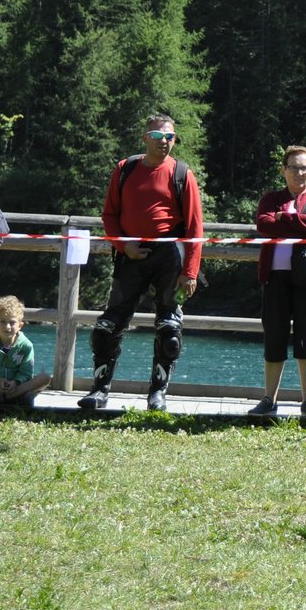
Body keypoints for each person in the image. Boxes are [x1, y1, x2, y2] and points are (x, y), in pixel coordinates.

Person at [78, 114, 203, 412]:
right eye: (159, 137)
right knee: (107, 328)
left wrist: (190, 272)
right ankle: (100, 390)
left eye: (170, 138)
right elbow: (109, 215)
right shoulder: (125, 169)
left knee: (169, 330)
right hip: (130, 256)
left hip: (169, 257)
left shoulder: (182, 174)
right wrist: (124, 245)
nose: (165, 143)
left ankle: (157, 394)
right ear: (145, 138)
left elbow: (195, 227)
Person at [252, 145, 306, 420]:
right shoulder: (271, 198)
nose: (299, 173)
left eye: (304, 168)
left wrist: (285, 219)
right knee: (274, 335)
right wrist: (298, 223)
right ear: (283, 170)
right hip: (275, 277)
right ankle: (269, 399)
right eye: (293, 167)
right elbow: (263, 224)